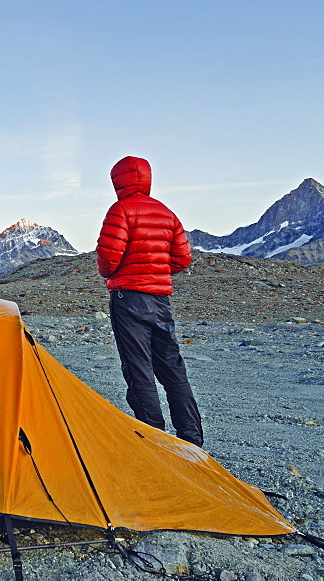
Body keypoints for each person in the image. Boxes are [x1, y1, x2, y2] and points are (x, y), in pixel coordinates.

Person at [96, 156, 203, 447]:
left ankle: (152, 439)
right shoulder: (167, 213)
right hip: (160, 300)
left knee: (138, 369)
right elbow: (182, 258)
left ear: (118, 181)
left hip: (128, 298)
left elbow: (108, 258)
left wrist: (117, 273)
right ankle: (191, 438)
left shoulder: (120, 210)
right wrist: (155, 272)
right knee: (172, 368)